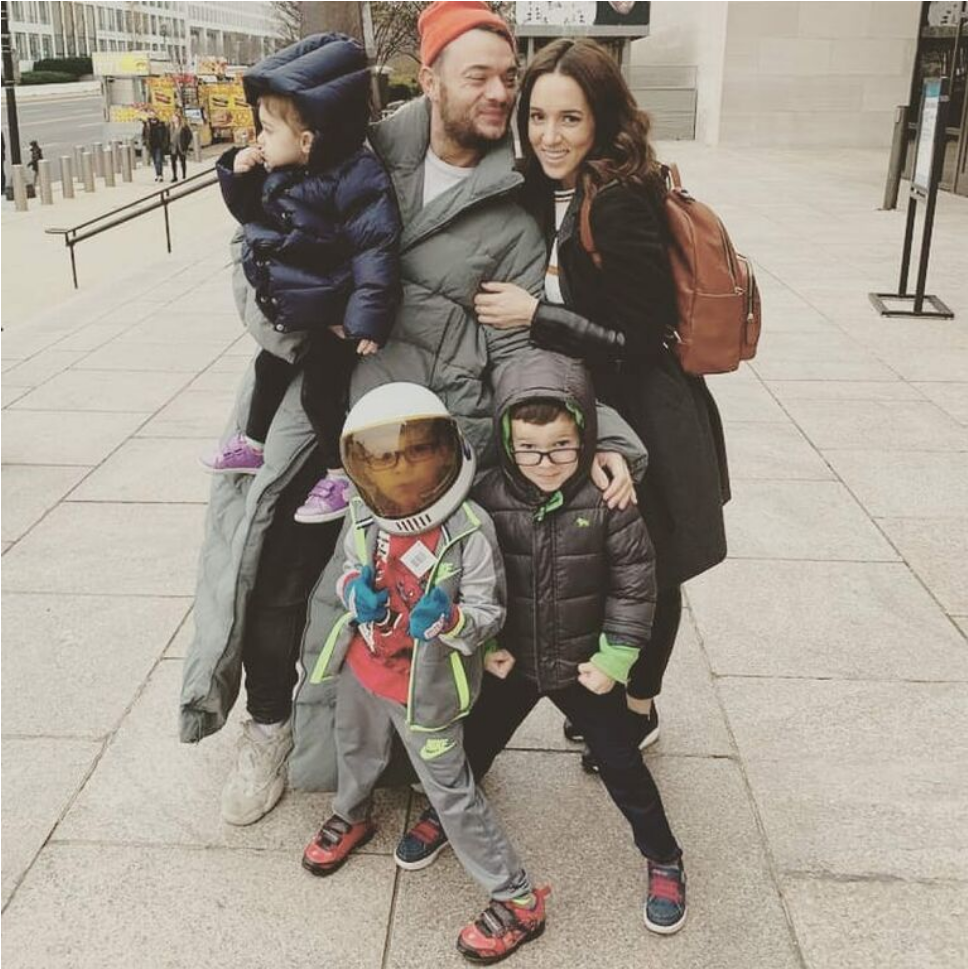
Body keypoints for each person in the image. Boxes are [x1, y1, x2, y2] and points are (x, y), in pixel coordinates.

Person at [181, 2, 641, 828]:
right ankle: (268, 726)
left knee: (405, 604)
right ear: (429, 80)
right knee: (276, 574)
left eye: (509, 77)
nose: (500, 93)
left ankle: (385, 749)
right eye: (479, 76)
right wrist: (301, 320)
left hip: (422, 439)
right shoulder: (354, 149)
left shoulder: (516, 208)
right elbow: (260, 250)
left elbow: (518, 351)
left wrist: (593, 434)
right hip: (323, 405)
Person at [470, 38, 730, 772]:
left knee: (652, 563)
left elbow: (642, 337)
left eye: (570, 120)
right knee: (603, 556)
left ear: (602, 121)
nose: (550, 136)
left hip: (644, 409)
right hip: (588, 403)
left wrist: (537, 315)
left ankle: (640, 706)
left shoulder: (616, 201)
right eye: (538, 117)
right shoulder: (539, 186)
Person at [393, 349, 689, 935]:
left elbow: (635, 586)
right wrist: (484, 645)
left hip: (584, 668)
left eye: (561, 447)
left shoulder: (609, 502)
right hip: (513, 662)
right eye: (528, 448)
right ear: (507, 443)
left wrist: (615, 659)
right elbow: (469, 577)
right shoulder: (485, 497)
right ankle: (448, 815)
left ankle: (664, 856)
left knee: (623, 766)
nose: (545, 462)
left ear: (584, 438)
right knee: (474, 747)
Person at [302, 382, 550, 963]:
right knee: (354, 747)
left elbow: (489, 612)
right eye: (385, 459)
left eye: (417, 452)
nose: (402, 469)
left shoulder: (469, 528)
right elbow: (348, 567)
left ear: (446, 451)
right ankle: (351, 813)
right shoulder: (364, 514)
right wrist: (353, 591)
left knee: (452, 792)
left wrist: (453, 619)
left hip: (427, 687)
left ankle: (517, 897)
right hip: (365, 664)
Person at [200, 33, 400, 532]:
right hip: (299, 304)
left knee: (319, 395)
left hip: (332, 313)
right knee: (268, 366)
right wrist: (239, 172)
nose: (259, 139)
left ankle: (339, 476)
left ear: (307, 140)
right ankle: (252, 444)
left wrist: (365, 320)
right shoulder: (282, 170)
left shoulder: (356, 176)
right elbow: (252, 216)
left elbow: (375, 247)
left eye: (268, 131)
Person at [143, 112, 170, 182]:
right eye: (151, 114)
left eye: (153, 114)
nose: (152, 116)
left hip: (159, 145)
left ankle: (160, 175)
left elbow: (165, 134)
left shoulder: (160, 124)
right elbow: (144, 134)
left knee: (158, 160)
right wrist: (145, 142)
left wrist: (165, 143)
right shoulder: (147, 124)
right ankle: (158, 174)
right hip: (151, 145)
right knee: (155, 161)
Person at [168, 110, 192, 181]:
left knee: (182, 161)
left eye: (175, 118)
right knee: (173, 162)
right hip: (173, 147)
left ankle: (184, 175)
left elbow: (189, 136)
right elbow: (167, 136)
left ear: (178, 118)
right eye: (173, 118)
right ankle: (174, 176)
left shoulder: (183, 126)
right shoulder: (170, 127)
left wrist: (186, 144)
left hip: (181, 146)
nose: (173, 119)